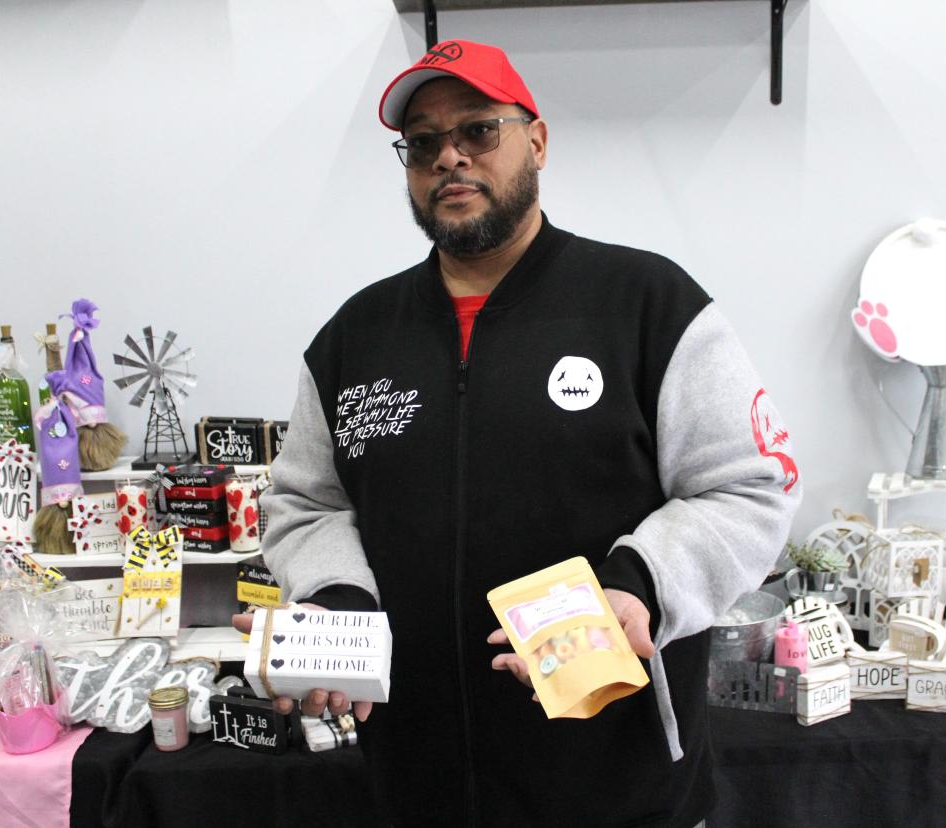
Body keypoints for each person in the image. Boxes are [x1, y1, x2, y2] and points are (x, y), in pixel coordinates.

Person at [238, 39, 802, 827]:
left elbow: (748, 485)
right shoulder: (354, 337)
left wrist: (638, 584)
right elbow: (307, 504)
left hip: (620, 785)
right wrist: (335, 599)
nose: (449, 158)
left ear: (535, 141)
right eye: (424, 143)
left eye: (478, 130)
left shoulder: (646, 304)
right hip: (416, 783)